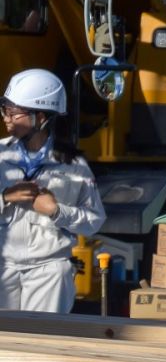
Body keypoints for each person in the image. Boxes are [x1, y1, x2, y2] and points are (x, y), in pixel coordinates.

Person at [0, 69, 105, 312]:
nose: (6, 118)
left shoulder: (74, 166)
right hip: (3, 267)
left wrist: (58, 212)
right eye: (5, 110)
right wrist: (5, 197)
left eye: (14, 113)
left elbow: (94, 220)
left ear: (41, 117)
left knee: (41, 342)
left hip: (49, 272)